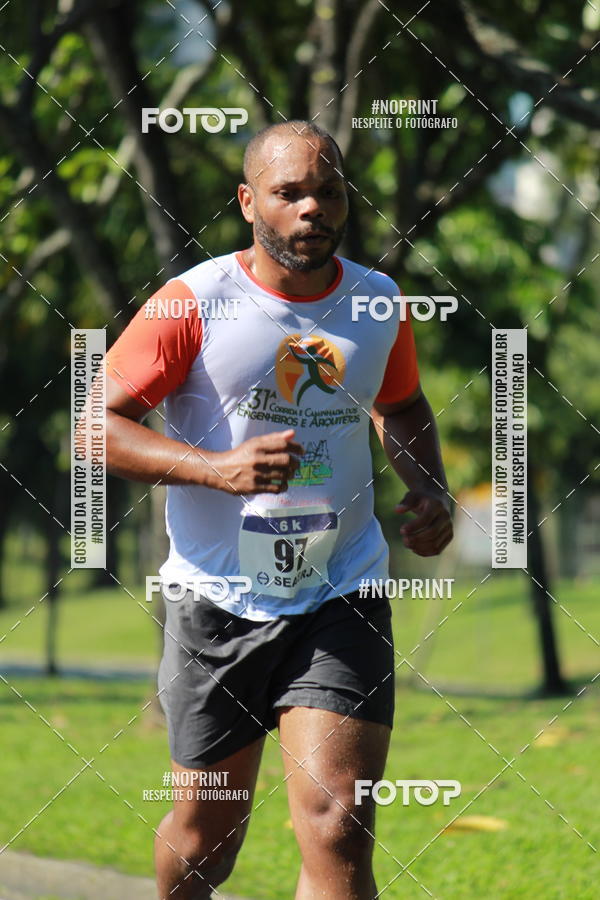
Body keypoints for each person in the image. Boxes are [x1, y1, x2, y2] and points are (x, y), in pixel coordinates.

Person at [105, 120, 453, 900]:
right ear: (247, 201)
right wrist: (215, 469)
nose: (312, 210)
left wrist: (427, 487)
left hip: (342, 589)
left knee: (336, 822)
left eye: (328, 192)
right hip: (216, 600)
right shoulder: (191, 301)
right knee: (206, 839)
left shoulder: (378, 301)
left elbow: (401, 406)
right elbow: (96, 426)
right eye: (290, 193)